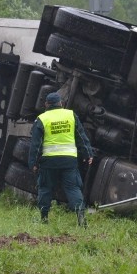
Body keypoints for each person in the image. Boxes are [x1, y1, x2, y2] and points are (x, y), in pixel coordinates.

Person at [28, 92, 94, 226]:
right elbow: (81, 137)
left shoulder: (42, 119)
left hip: (49, 162)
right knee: (73, 188)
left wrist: (33, 163)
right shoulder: (71, 115)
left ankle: (44, 218)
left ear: (46, 105)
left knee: (45, 188)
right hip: (69, 161)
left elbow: (36, 145)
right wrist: (88, 154)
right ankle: (81, 217)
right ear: (61, 104)